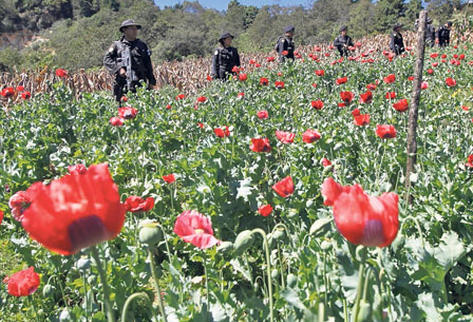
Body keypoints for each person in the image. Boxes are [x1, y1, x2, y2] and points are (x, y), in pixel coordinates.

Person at [103, 19, 156, 104]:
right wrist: (119, 69)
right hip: (122, 84)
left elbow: (148, 64)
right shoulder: (117, 45)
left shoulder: (142, 45)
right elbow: (107, 60)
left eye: (136, 29)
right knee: (122, 111)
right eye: (132, 28)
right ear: (125, 30)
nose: (135, 31)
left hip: (140, 84)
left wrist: (151, 81)